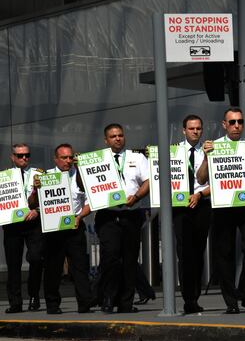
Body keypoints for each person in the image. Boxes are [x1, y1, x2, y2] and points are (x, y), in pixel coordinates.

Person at [197, 108, 245, 314]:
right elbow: (202, 179)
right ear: (224, 125)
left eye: (240, 121)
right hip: (223, 207)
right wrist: (205, 158)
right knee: (224, 253)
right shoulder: (214, 147)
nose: (237, 125)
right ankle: (231, 301)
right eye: (232, 122)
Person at [95, 123, 150, 314]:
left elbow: (148, 181)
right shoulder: (97, 160)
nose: (117, 138)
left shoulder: (137, 157)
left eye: (120, 135)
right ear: (106, 140)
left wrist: (136, 198)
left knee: (129, 260)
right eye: (113, 136)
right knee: (110, 258)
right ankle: (108, 299)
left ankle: (126, 303)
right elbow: (84, 184)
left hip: (131, 214)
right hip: (108, 215)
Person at [39, 144, 95, 314]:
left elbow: (89, 202)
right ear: (56, 159)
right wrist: (36, 190)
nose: (68, 161)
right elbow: (34, 204)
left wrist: (79, 217)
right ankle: (52, 305)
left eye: (70, 157)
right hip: (54, 229)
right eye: (64, 157)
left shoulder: (80, 176)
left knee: (80, 267)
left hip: (75, 226)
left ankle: (85, 304)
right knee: (53, 268)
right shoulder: (45, 177)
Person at [174, 114, 211, 314]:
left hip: (202, 204)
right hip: (180, 207)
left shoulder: (209, 151)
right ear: (184, 130)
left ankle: (194, 297)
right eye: (191, 128)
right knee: (184, 254)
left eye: (198, 128)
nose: (195, 131)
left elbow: (215, 182)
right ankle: (188, 298)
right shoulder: (174, 152)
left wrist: (198, 194)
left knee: (198, 253)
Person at [3, 144, 44, 313]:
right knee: (13, 264)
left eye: (27, 155)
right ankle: (15, 302)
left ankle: (34, 296)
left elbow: (49, 197)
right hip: (13, 225)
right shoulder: (4, 177)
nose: (24, 158)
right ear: (12, 157)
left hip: (33, 223)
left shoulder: (39, 173)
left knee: (36, 258)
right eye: (20, 156)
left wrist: (37, 210)